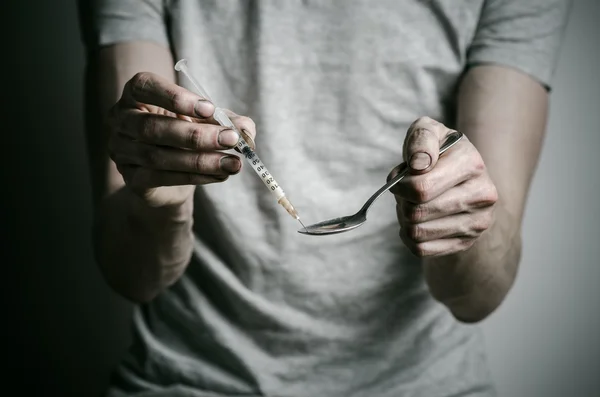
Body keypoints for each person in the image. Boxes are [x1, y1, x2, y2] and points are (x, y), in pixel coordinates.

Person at [78, 1, 571, 396]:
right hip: (188, 379)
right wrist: (159, 196)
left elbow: (481, 294)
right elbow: (130, 274)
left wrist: (457, 213)